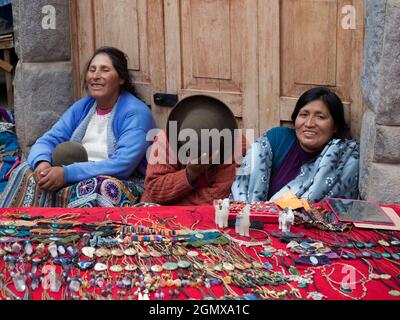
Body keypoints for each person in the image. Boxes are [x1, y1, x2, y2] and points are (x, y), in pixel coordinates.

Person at [0, 46, 156, 207]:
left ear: (121, 78)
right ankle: (17, 226)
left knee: (96, 188)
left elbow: (122, 165)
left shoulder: (135, 113)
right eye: (92, 70)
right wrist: (42, 164)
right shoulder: (83, 107)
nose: (95, 76)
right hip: (78, 174)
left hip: (124, 180)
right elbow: (48, 140)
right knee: (27, 170)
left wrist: (67, 173)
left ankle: (76, 232)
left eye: (105, 70)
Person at [232, 86, 359, 202]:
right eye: (303, 115)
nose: (309, 123)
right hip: (250, 222)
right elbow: (243, 186)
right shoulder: (277, 140)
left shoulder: (343, 160)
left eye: (320, 117)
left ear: (335, 126)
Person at [141, 95, 245, 206]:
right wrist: (189, 174)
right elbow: (154, 189)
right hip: (157, 211)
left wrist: (171, 201)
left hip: (207, 214)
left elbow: (219, 198)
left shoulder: (236, 147)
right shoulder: (165, 138)